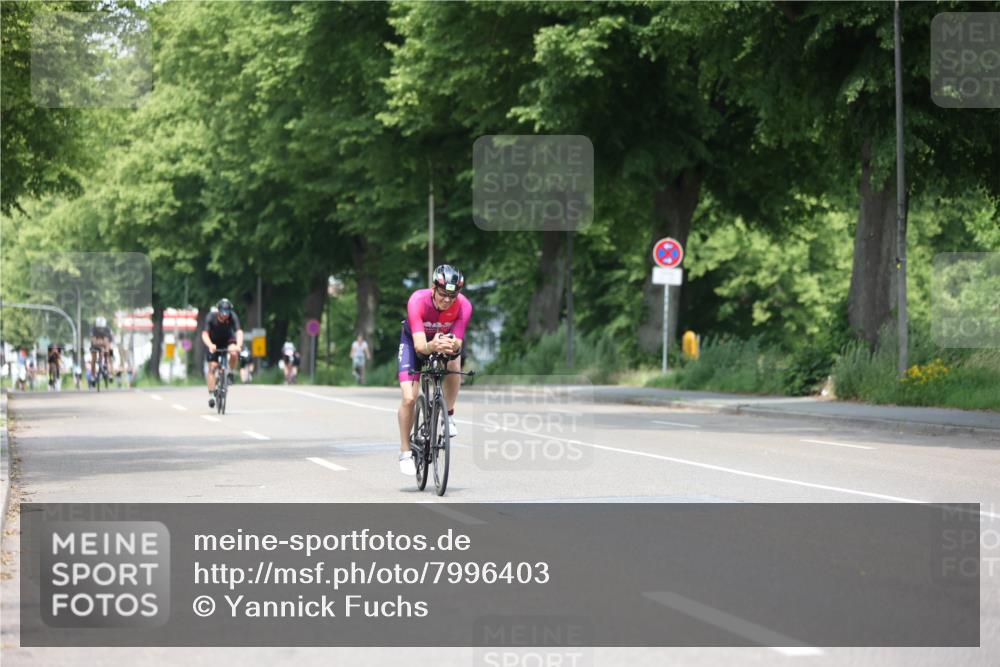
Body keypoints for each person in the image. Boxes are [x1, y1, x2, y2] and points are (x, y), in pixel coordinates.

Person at [396, 264, 472, 475]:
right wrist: (433, 346)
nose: (447, 300)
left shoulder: (464, 306)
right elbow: (421, 346)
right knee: (409, 398)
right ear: (433, 288)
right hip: (414, 343)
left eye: (452, 295)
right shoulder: (417, 301)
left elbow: (458, 341)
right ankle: (405, 452)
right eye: (443, 294)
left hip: (442, 341)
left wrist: (452, 346)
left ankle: (448, 413)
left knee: (455, 363)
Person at [201, 298, 243, 409]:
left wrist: (239, 345)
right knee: (213, 367)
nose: (225, 315)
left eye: (227, 312)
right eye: (223, 312)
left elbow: (239, 332)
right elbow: (205, 334)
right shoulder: (210, 317)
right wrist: (210, 345)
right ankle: (211, 395)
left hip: (228, 340)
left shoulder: (233, 317)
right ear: (218, 311)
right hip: (213, 343)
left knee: (234, 353)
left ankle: (230, 373)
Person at [89, 316, 114, 386]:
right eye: (99, 328)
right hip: (95, 345)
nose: (100, 330)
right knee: (93, 359)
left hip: (108, 344)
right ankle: (93, 376)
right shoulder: (93, 329)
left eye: (101, 328)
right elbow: (93, 342)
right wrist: (99, 343)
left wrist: (104, 349)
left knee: (110, 356)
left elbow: (106, 342)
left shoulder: (107, 330)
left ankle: (110, 373)